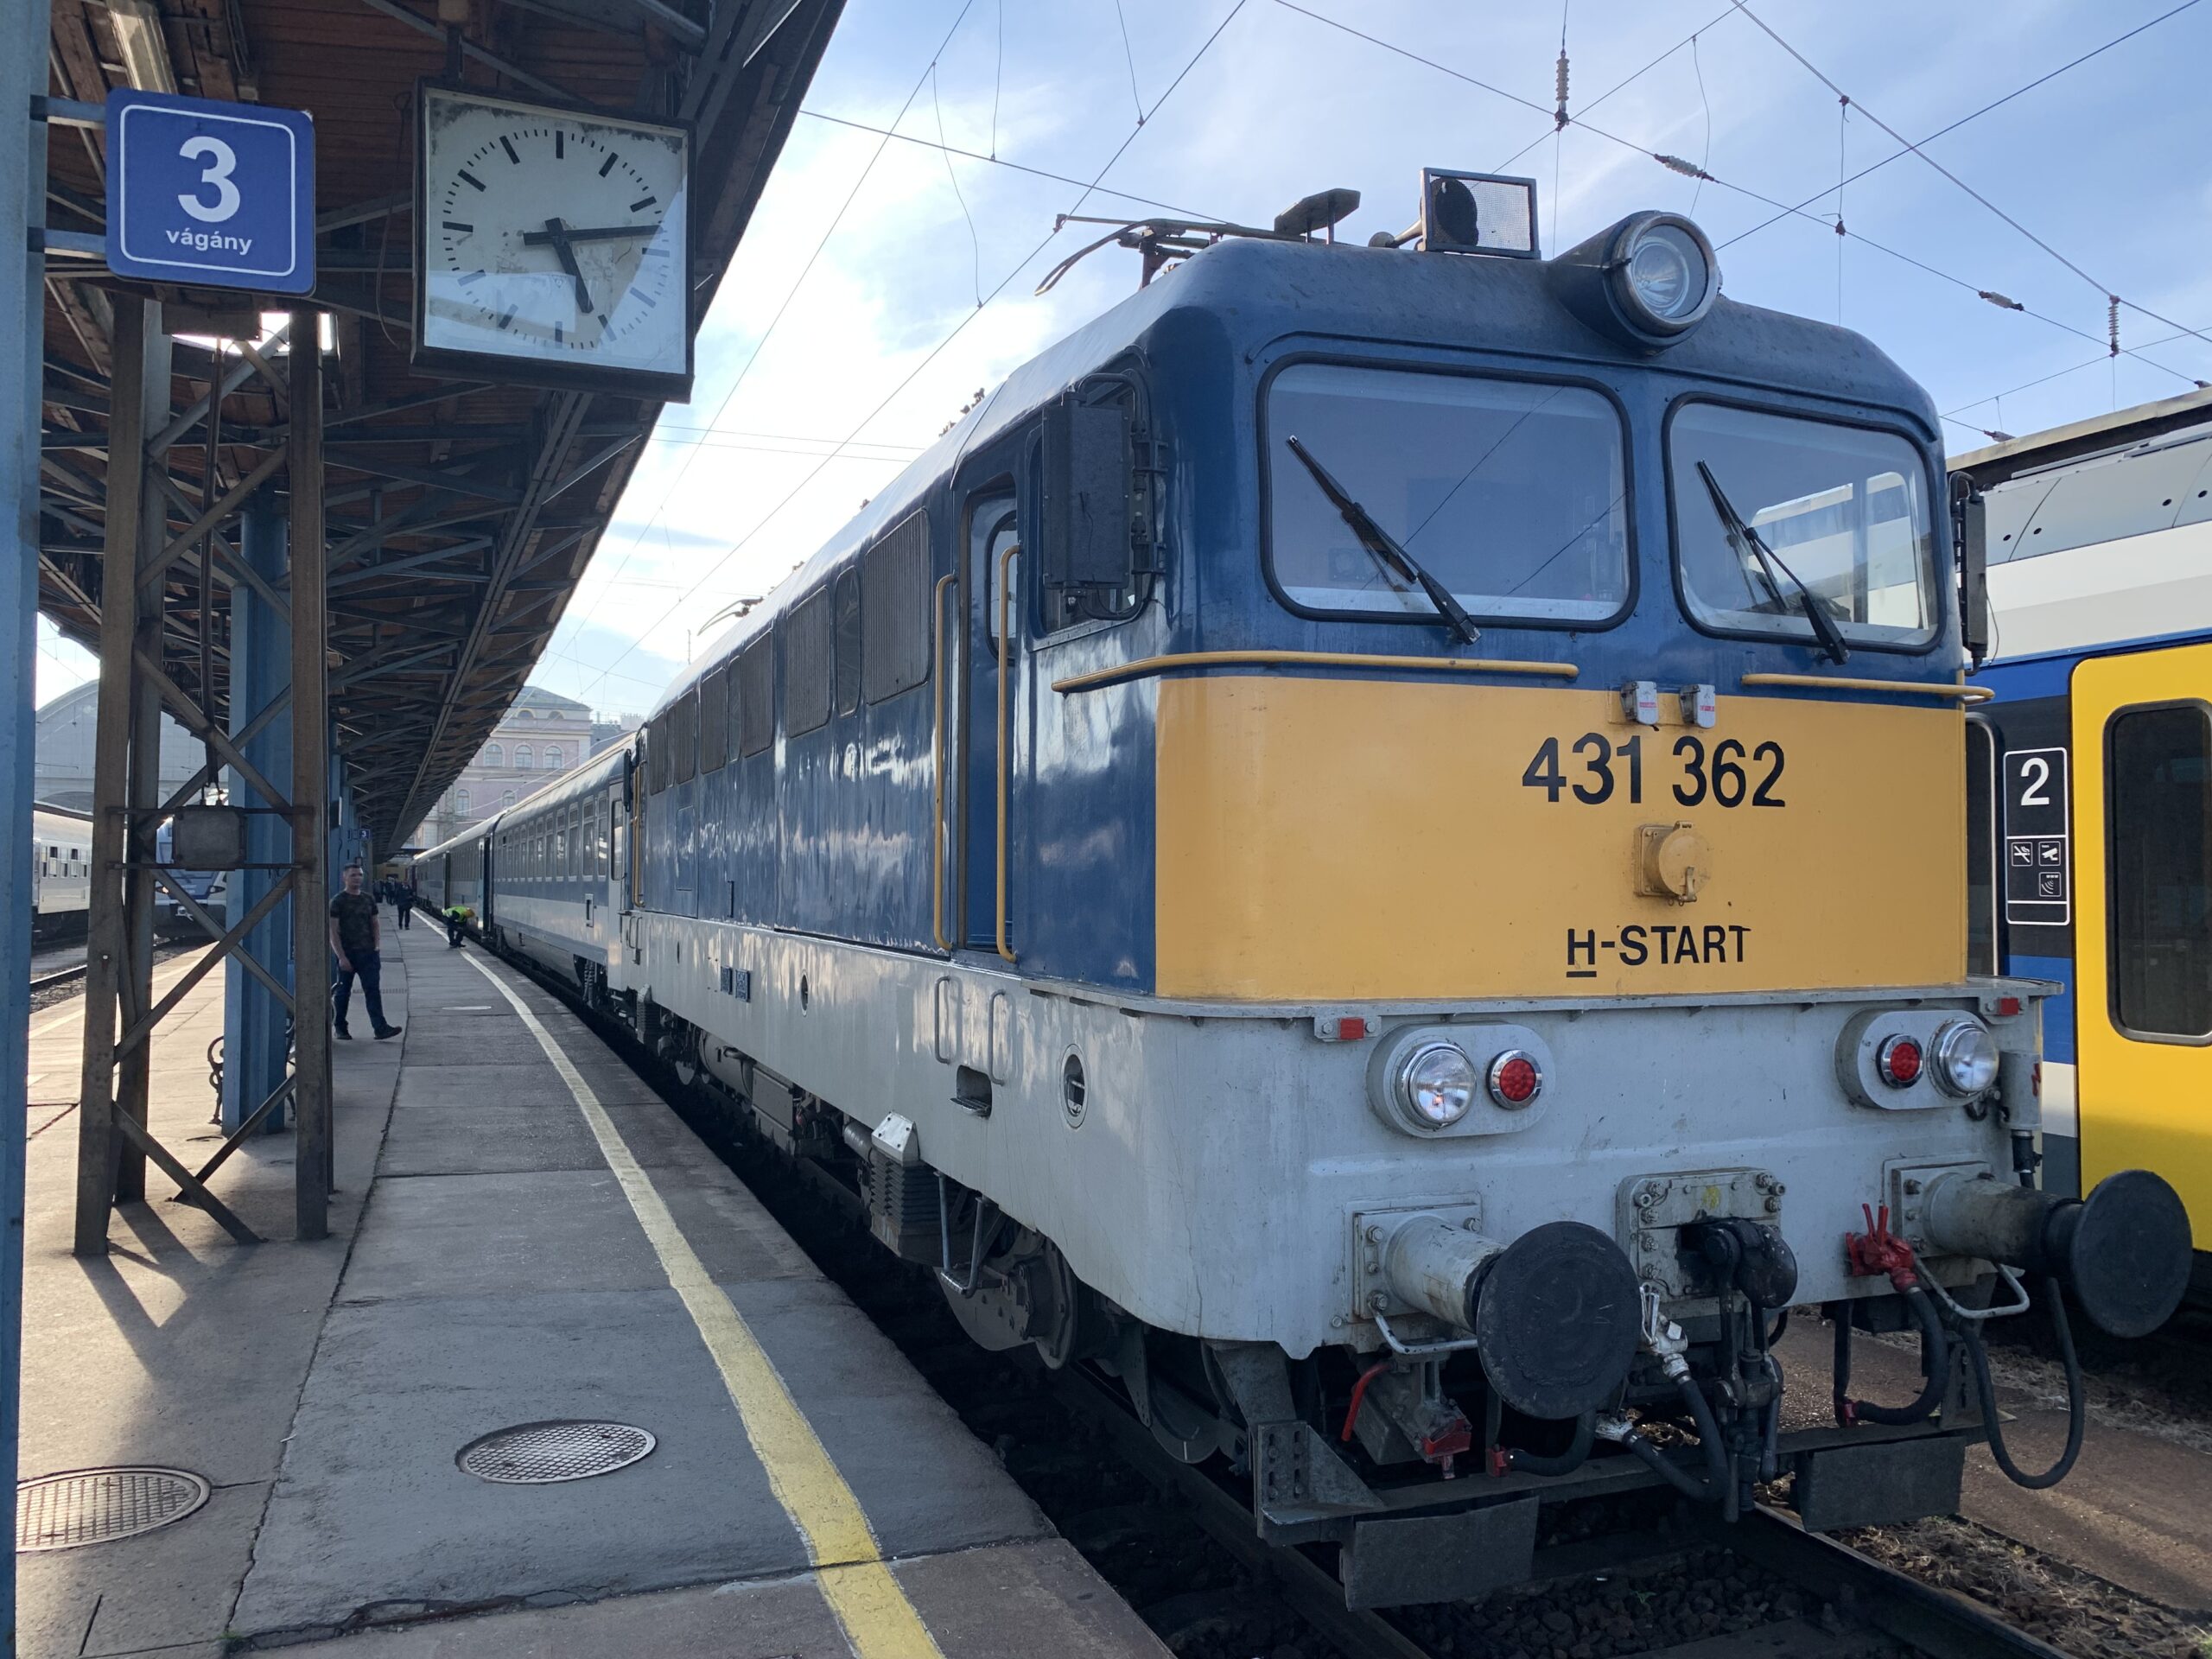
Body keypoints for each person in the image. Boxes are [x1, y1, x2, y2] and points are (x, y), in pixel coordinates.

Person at [329, 864, 402, 1041]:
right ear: (344, 878)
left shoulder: (368, 899)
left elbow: (375, 922)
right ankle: (340, 1027)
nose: (358, 878)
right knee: (343, 993)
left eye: (360, 875)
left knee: (373, 991)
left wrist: (377, 945)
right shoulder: (338, 901)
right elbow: (333, 931)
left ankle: (380, 1028)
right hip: (347, 954)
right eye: (353, 875)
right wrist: (341, 957)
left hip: (369, 954)